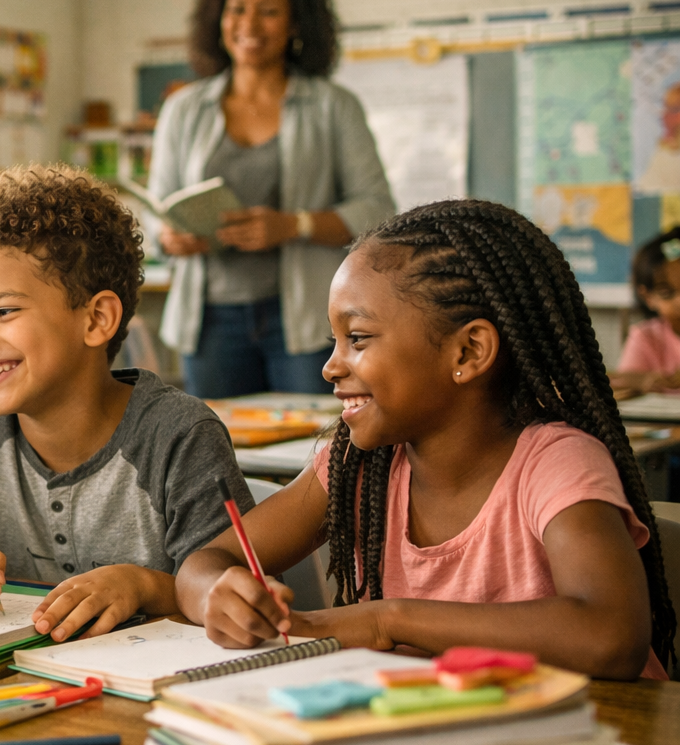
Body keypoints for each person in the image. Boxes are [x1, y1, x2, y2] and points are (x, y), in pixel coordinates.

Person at [177, 200, 675, 681]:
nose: (330, 366)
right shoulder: (358, 466)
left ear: (469, 350)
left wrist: (386, 621)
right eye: (335, 340)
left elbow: (611, 636)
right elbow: (202, 564)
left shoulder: (554, 463)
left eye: (359, 338)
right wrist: (219, 595)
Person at [0, 165, 252, 643]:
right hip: (18, 684)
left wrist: (143, 586)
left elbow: (232, 595)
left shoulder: (176, 434)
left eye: (4, 311)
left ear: (96, 319)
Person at [152, 0, 394, 399]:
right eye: (237, 9)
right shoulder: (183, 108)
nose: (249, 24)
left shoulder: (333, 105)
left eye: (268, 11)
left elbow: (376, 211)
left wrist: (291, 225)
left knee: (314, 456)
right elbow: (155, 213)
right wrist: (171, 236)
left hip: (304, 320)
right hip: (209, 324)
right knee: (214, 454)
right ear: (218, 18)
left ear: (296, 23)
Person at [610, 228, 680, 398]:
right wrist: (642, 382)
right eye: (667, 293)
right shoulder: (646, 338)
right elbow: (617, 388)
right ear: (647, 297)